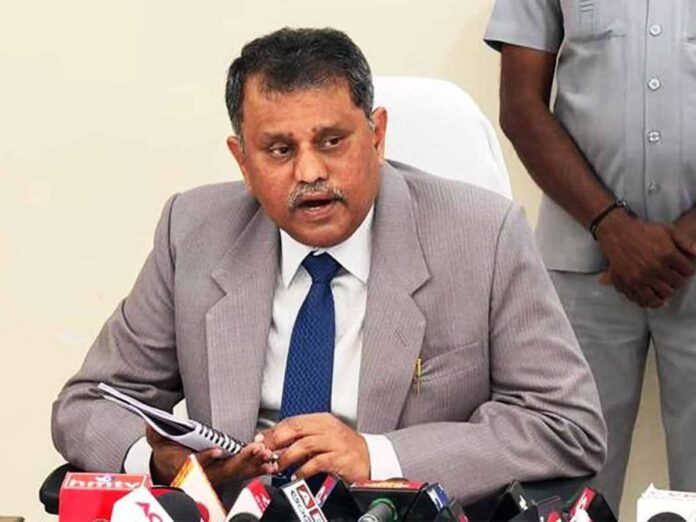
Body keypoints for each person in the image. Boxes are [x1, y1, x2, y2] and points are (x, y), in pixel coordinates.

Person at [52, 27, 606, 507]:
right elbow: (87, 402)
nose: (310, 172)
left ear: (377, 136)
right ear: (242, 160)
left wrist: (378, 456)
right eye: (279, 150)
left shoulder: (482, 236)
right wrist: (162, 463)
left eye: (332, 141)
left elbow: (566, 424)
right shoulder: (194, 231)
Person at [485, 1, 696, 513]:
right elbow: (520, 105)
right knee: (568, 489)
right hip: (582, 266)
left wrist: (688, 236)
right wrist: (611, 226)